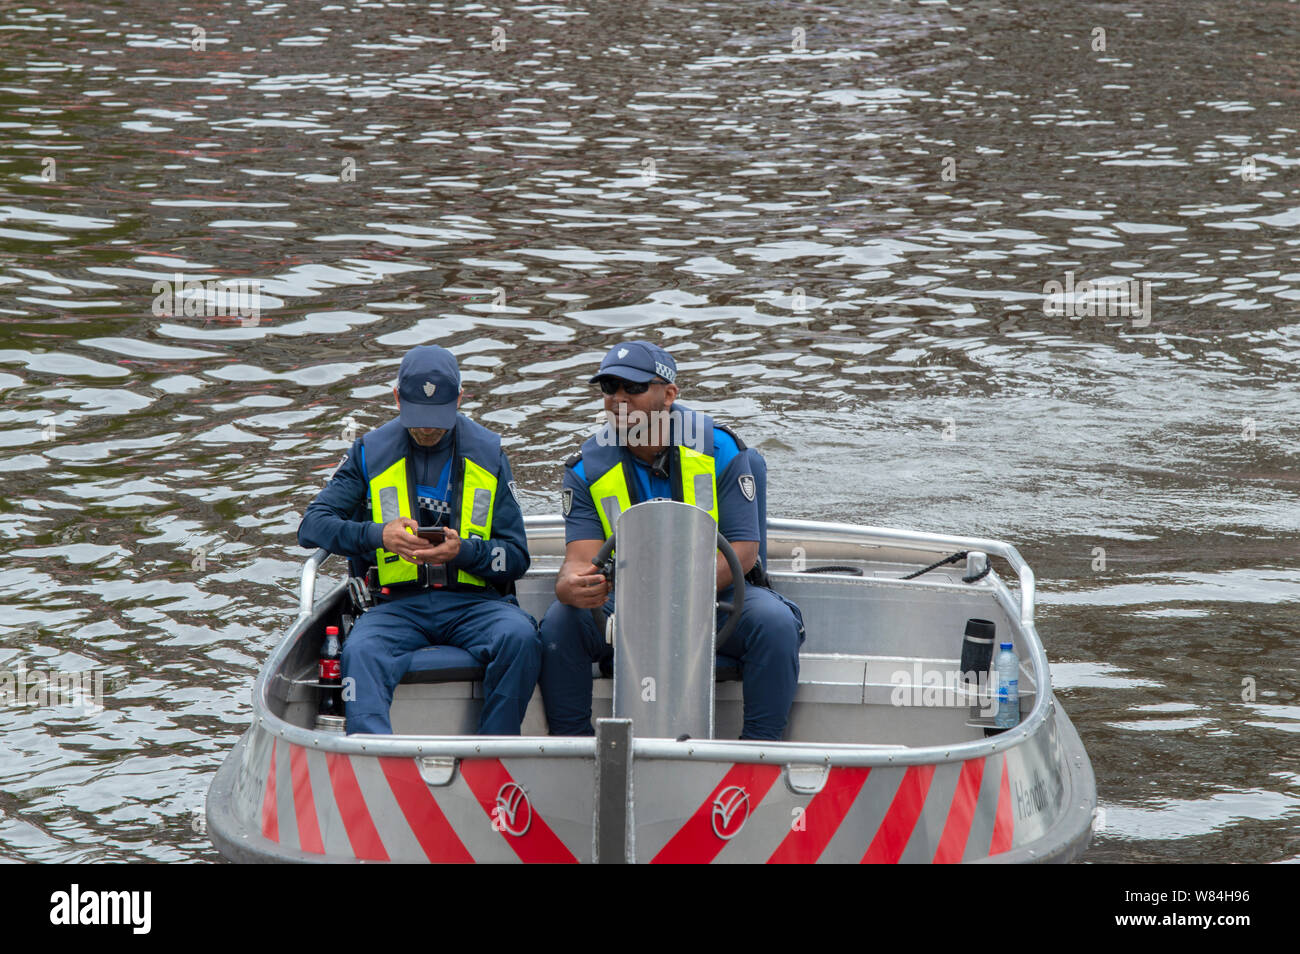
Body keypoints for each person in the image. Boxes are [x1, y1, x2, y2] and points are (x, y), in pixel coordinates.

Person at [538, 341, 805, 740]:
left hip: (712, 597)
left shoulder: (722, 449)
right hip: (625, 604)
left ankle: (759, 757)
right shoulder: (584, 469)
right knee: (561, 623)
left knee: (776, 624)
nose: (618, 400)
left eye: (633, 388)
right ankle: (575, 751)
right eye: (609, 388)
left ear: (669, 394)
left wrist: (673, 597)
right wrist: (569, 585)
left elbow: (744, 551)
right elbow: (581, 559)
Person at [297, 345, 540, 735]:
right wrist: (378, 535)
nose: (427, 429)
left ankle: (491, 755)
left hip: (474, 605)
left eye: (438, 419)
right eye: (417, 417)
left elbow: (517, 557)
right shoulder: (367, 452)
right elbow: (312, 527)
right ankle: (376, 763)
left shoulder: (490, 454)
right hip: (395, 607)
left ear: (460, 399)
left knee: (521, 637)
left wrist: (465, 551)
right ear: (396, 398)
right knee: (360, 651)